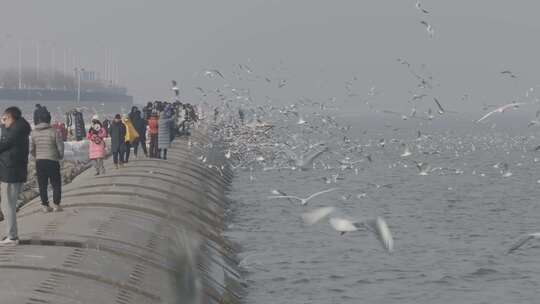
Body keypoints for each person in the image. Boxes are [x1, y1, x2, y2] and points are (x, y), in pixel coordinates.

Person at [0, 107, 31, 245]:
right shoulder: (19, 129)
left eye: (4, 119)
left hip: (11, 173)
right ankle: (12, 235)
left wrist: (3, 127)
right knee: (8, 205)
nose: (3, 121)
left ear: (11, 117)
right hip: (13, 172)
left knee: (8, 206)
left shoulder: (15, 131)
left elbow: (2, 144)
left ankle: (12, 236)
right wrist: (4, 127)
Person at [31, 108, 64, 213]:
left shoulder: (33, 133)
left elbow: (31, 149)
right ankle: (56, 205)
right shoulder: (54, 131)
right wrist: (59, 156)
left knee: (42, 185)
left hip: (40, 162)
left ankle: (45, 206)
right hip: (52, 161)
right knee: (56, 184)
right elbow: (60, 147)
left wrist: (37, 156)